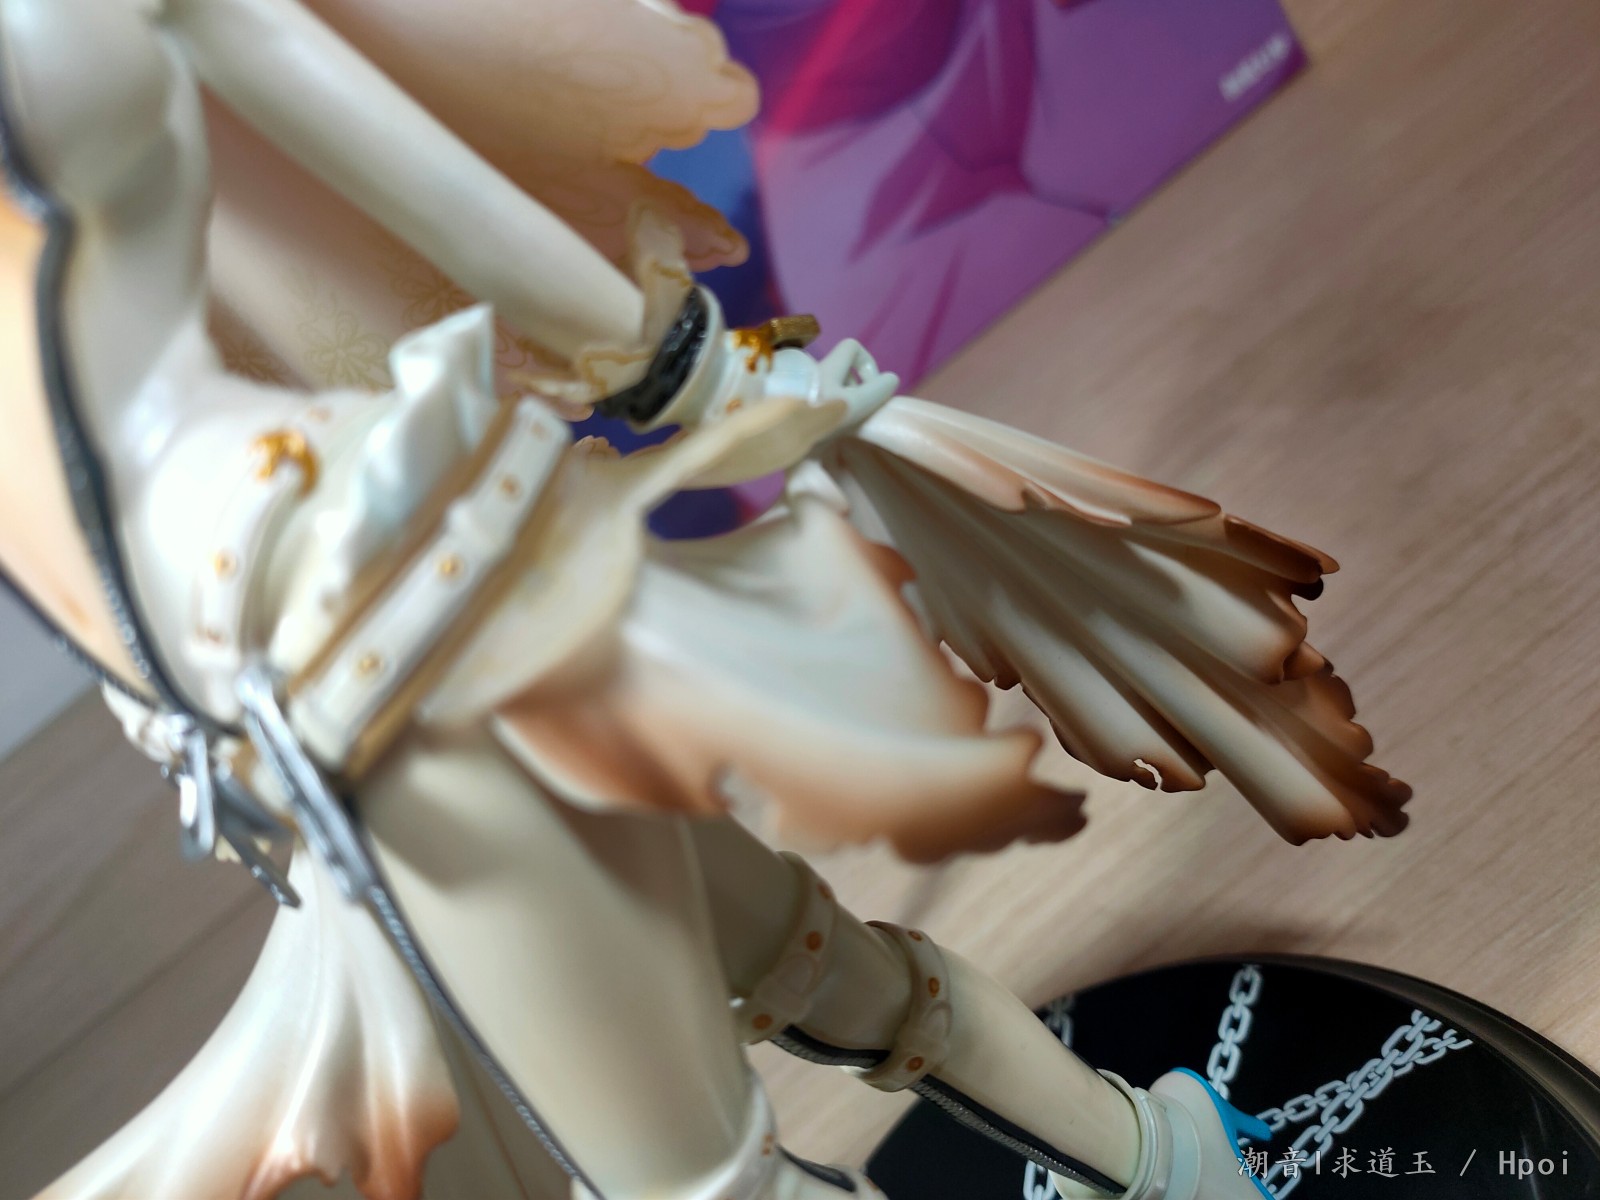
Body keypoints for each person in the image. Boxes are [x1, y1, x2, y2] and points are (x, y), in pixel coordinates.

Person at [0, 2, 1405, 1198]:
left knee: (714, 1149)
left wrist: (690, 370)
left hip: (363, 622)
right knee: (794, 962)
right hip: (284, 690)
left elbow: (357, 142)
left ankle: (1173, 1163)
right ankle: (1169, 1161)